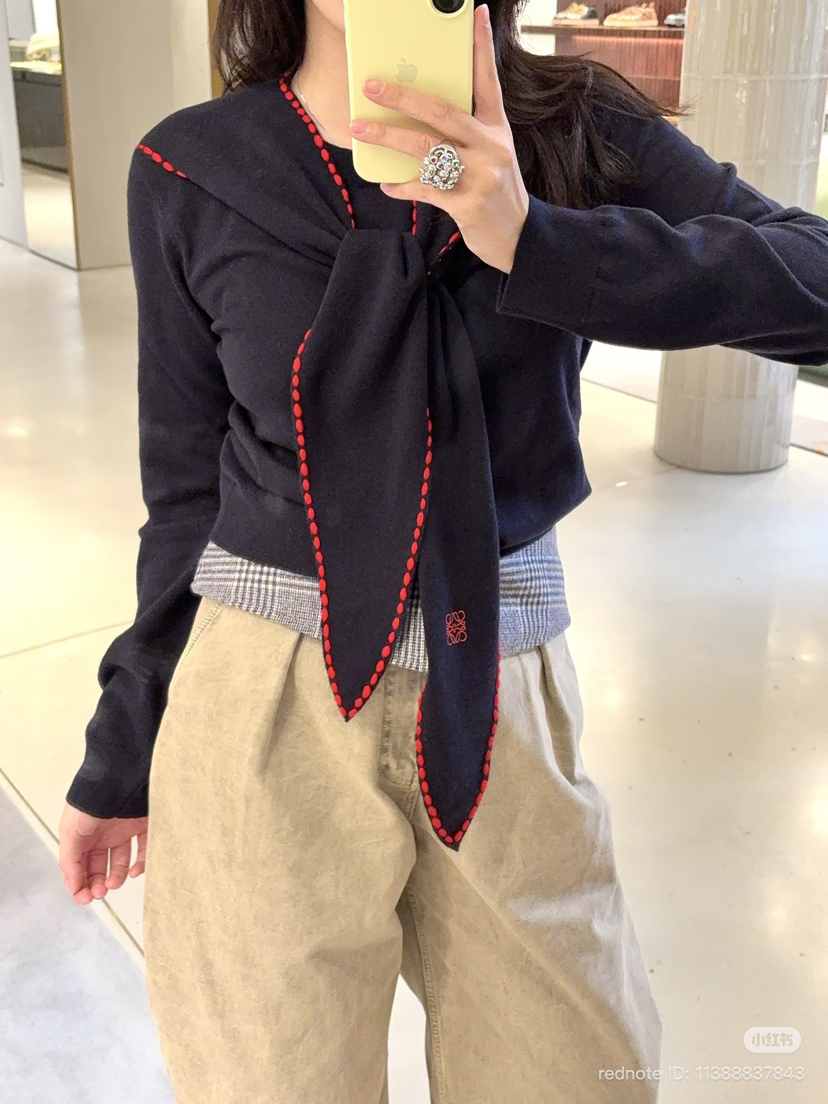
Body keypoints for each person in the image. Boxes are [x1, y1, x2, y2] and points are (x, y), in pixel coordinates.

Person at [58, 1, 828, 1102]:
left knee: (580, 1073)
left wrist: (536, 240)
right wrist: (125, 740)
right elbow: (185, 488)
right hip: (262, 704)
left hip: (502, 686)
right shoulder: (192, 167)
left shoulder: (568, 126)